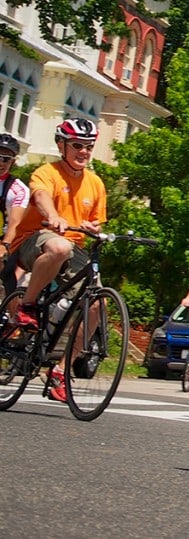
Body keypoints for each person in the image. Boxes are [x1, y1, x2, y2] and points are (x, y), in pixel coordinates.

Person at [7, 118, 107, 402]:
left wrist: (93, 229)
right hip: (35, 241)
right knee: (60, 247)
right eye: (77, 145)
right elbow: (40, 196)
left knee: (96, 305)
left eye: (89, 146)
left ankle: (60, 372)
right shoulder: (46, 172)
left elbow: (95, 221)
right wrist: (52, 215)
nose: (84, 151)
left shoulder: (95, 184)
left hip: (74, 247)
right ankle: (27, 304)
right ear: (61, 145)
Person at [0, 133, 29, 291]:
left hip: (5, 241)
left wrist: (4, 246)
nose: (1, 162)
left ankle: (13, 314)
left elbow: (14, 225)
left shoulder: (18, 190)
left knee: (12, 283)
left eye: (6, 159)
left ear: (13, 162)